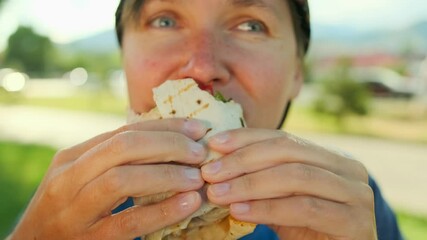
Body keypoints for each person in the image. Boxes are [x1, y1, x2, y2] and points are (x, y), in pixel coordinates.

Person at [8, 0, 403, 239]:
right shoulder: (72, 205)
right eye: (164, 20)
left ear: (297, 72)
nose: (201, 67)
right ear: (123, 57)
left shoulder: (350, 204)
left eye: (251, 24)